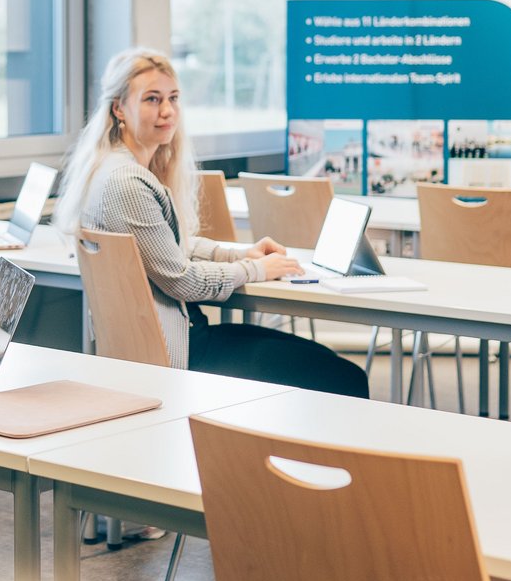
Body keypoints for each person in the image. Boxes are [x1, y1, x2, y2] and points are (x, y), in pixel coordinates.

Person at [55, 48, 370, 399]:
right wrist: (255, 269)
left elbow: (167, 244)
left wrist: (237, 254)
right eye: (152, 100)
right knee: (344, 376)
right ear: (118, 109)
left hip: (178, 338)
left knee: (320, 359)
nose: (167, 112)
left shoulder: (112, 169)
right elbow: (183, 282)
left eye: (173, 98)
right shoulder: (127, 182)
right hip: (184, 352)